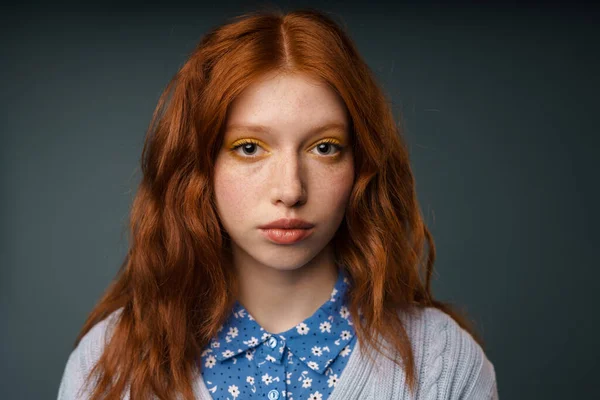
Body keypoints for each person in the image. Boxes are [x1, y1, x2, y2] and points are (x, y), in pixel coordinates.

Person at [57, 7, 498, 400]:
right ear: (198, 167)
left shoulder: (443, 364)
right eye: (249, 148)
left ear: (361, 165)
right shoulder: (108, 365)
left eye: (324, 148)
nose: (290, 190)